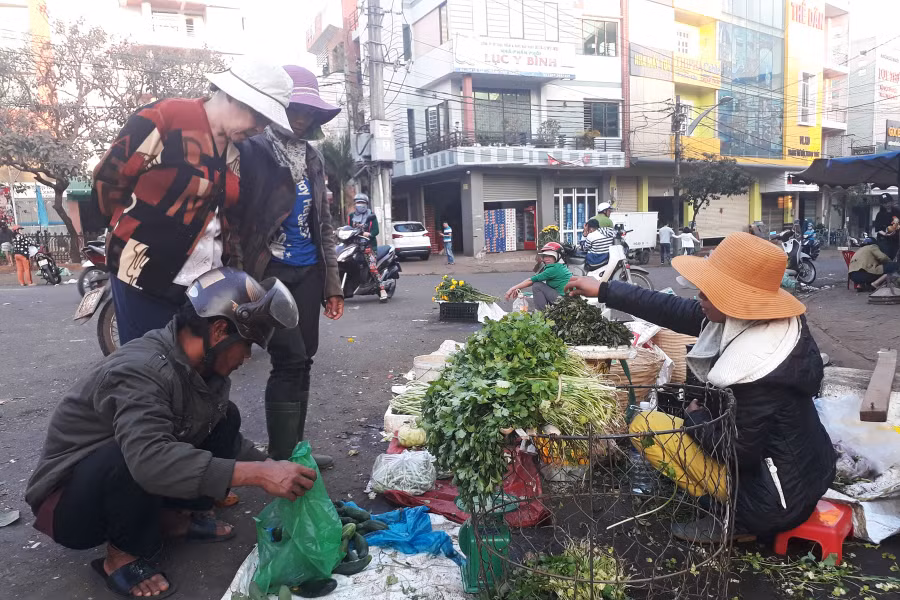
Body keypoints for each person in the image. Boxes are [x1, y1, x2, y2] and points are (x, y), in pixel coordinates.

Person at [25, 268, 309, 599]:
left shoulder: (202, 368)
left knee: (223, 417)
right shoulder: (141, 370)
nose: (247, 357)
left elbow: (226, 441)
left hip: (126, 471)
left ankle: (173, 519)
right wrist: (259, 474)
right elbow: (150, 461)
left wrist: (272, 466)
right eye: (247, 345)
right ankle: (119, 557)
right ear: (219, 330)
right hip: (70, 504)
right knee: (134, 454)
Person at [566, 232, 835, 542]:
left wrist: (695, 417)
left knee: (646, 429)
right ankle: (732, 507)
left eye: (707, 294)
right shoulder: (752, 321)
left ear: (733, 299)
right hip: (801, 471)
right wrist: (604, 289)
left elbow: (735, 451)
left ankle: (737, 521)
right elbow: (671, 310)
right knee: (653, 422)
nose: (698, 299)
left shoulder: (762, 367)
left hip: (773, 499)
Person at [92, 57, 293, 345]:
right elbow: (108, 182)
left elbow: (225, 217)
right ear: (235, 97)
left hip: (204, 286)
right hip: (143, 275)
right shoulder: (165, 118)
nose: (261, 129)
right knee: (150, 372)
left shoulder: (238, 152)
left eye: (266, 122)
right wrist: (134, 230)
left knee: (197, 377)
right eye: (259, 117)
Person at [233, 65, 343, 467]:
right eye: (296, 108)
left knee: (305, 357)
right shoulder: (253, 150)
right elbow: (235, 218)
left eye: (310, 112)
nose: (302, 118)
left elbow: (324, 224)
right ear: (278, 106)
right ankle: (281, 455)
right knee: (289, 358)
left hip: (308, 271)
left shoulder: (312, 158)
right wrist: (239, 276)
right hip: (269, 273)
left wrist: (332, 283)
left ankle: (296, 450)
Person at [505, 242, 572, 310]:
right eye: (544, 256)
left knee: (537, 286)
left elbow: (531, 281)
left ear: (558, 256)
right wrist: (524, 293)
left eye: (550, 256)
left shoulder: (554, 269)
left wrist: (512, 289)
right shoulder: (560, 266)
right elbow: (536, 280)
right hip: (566, 299)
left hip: (563, 301)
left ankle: (542, 314)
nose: (546, 259)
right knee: (540, 285)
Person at [348, 193, 387, 301]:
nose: (360, 205)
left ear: (366, 204)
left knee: (372, 267)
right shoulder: (351, 216)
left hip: (368, 246)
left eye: (362, 202)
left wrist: (369, 234)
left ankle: (382, 289)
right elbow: (348, 228)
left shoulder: (371, 216)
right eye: (358, 202)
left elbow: (376, 230)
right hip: (353, 245)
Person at [873, 195, 899, 260]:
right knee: (885, 257)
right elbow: (878, 228)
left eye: (888, 202)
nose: (887, 204)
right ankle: (885, 269)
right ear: (882, 204)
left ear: (892, 201)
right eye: (885, 203)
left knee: (893, 255)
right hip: (884, 239)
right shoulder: (880, 214)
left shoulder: (897, 212)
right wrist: (885, 234)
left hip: (895, 239)